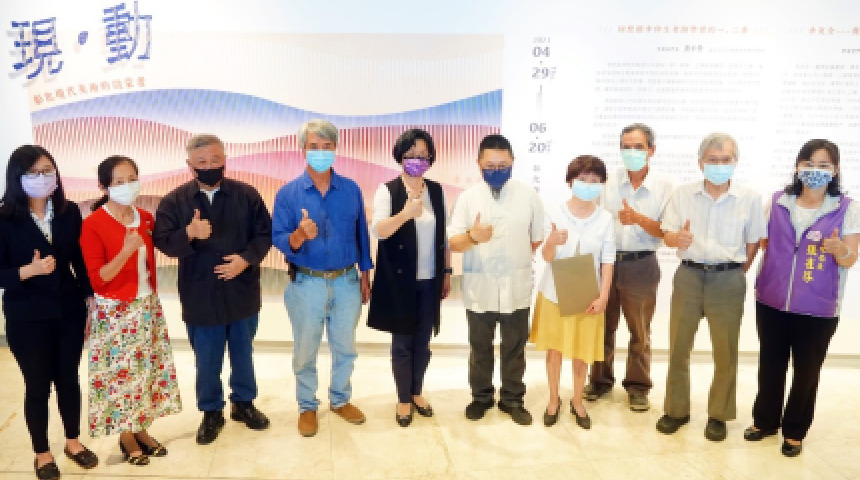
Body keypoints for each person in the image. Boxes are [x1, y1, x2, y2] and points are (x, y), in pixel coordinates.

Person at [154, 134, 273, 445]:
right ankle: (211, 411)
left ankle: (244, 403)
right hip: (200, 295)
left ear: (225, 160)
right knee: (206, 360)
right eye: (202, 162)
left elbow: (264, 234)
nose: (209, 166)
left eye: (215, 160)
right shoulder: (174, 201)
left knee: (243, 354)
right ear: (190, 165)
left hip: (242, 291)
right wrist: (189, 233)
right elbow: (163, 242)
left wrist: (246, 260)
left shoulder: (247, 195)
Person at [746, 139, 858, 457]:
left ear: (835, 170)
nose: (815, 170)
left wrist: (840, 250)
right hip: (772, 301)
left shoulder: (846, 208)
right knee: (770, 364)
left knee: (807, 371)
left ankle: (795, 430)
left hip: (818, 308)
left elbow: (850, 258)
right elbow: (763, 242)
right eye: (808, 163)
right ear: (797, 167)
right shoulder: (778, 201)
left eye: (823, 165)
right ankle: (765, 421)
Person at [657, 132, 766, 442]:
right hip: (689, 276)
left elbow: (753, 242)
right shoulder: (683, 195)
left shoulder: (749, 198)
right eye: (712, 160)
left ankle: (718, 415)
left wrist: (735, 271)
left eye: (725, 160)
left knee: (725, 352)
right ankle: (676, 410)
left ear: (735, 162)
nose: (719, 165)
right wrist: (677, 239)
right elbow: (667, 234)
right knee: (678, 347)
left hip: (728, 279)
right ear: (700, 162)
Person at [0, 145, 99, 480]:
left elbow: (79, 260)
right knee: (38, 385)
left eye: (47, 171)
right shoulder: (4, 218)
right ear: (17, 177)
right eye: (33, 173)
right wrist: (28, 271)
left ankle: (73, 441)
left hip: (68, 311)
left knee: (69, 380)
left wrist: (89, 297)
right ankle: (42, 453)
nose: (42, 178)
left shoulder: (69, 213)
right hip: (26, 316)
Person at [272, 119, 373, 437]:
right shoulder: (288, 194)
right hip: (307, 283)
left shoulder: (351, 189)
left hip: (346, 282)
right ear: (302, 149)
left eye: (327, 146)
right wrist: (299, 236)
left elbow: (361, 234)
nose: (320, 152)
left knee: (346, 347)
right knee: (305, 349)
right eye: (314, 146)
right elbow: (279, 238)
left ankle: (340, 399)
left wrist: (365, 274)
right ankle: (307, 406)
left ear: (335, 149)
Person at [80, 156, 182, 465]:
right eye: (119, 181)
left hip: (147, 305)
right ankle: (126, 436)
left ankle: (141, 429)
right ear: (104, 186)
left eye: (132, 178)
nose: (128, 186)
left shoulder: (145, 218)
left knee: (146, 372)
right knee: (120, 377)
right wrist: (126, 250)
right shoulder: (93, 224)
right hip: (115, 311)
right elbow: (99, 279)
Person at [448, 133, 545, 426]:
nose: (496, 170)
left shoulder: (528, 196)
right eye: (490, 165)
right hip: (480, 288)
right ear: (478, 163)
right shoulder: (468, 198)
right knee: (480, 348)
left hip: (516, 286)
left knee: (515, 348)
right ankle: (481, 397)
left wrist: (513, 259)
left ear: (513, 161)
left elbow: (535, 240)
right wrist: (472, 237)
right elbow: (454, 243)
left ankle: (512, 399)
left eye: (503, 165)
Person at [366, 128, 452, 427]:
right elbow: (379, 231)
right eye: (411, 154)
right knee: (402, 342)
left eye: (423, 154)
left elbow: (443, 237)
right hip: (399, 280)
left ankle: (417, 391)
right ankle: (403, 398)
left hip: (430, 279)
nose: (418, 159)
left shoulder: (437, 191)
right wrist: (405, 213)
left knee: (423, 342)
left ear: (431, 157)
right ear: (400, 157)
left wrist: (447, 272)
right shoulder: (388, 190)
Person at [586, 123, 672, 412]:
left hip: (642, 265)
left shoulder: (664, 187)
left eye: (638, 147)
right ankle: (599, 381)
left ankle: (638, 387)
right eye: (626, 147)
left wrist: (638, 219)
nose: (632, 152)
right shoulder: (607, 182)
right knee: (602, 326)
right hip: (607, 264)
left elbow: (667, 232)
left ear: (651, 150)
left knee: (640, 331)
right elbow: (592, 220)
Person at [531, 155, 615, 429]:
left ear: (601, 184)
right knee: (554, 350)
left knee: (582, 352)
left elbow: (607, 260)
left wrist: (604, 295)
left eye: (594, 180)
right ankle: (553, 399)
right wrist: (552, 242)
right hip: (555, 292)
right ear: (570, 181)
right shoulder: (555, 212)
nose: (588, 184)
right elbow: (547, 256)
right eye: (583, 179)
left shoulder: (605, 218)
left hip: (588, 295)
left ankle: (577, 401)